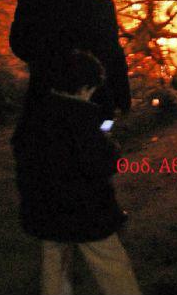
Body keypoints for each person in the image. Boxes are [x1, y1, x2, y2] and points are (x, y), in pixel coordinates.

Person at [12, 49, 141, 295]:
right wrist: (110, 143)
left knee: (54, 263)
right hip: (87, 213)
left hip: (45, 209)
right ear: (84, 88)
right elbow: (103, 163)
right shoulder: (83, 123)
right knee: (112, 265)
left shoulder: (34, 117)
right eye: (91, 90)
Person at [9, 0, 131, 119]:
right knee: (97, 140)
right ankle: (105, 132)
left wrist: (44, 62)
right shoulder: (99, 4)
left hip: (43, 100)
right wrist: (123, 102)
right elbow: (112, 57)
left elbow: (18, 43)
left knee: (41, 145)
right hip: (89, 104)